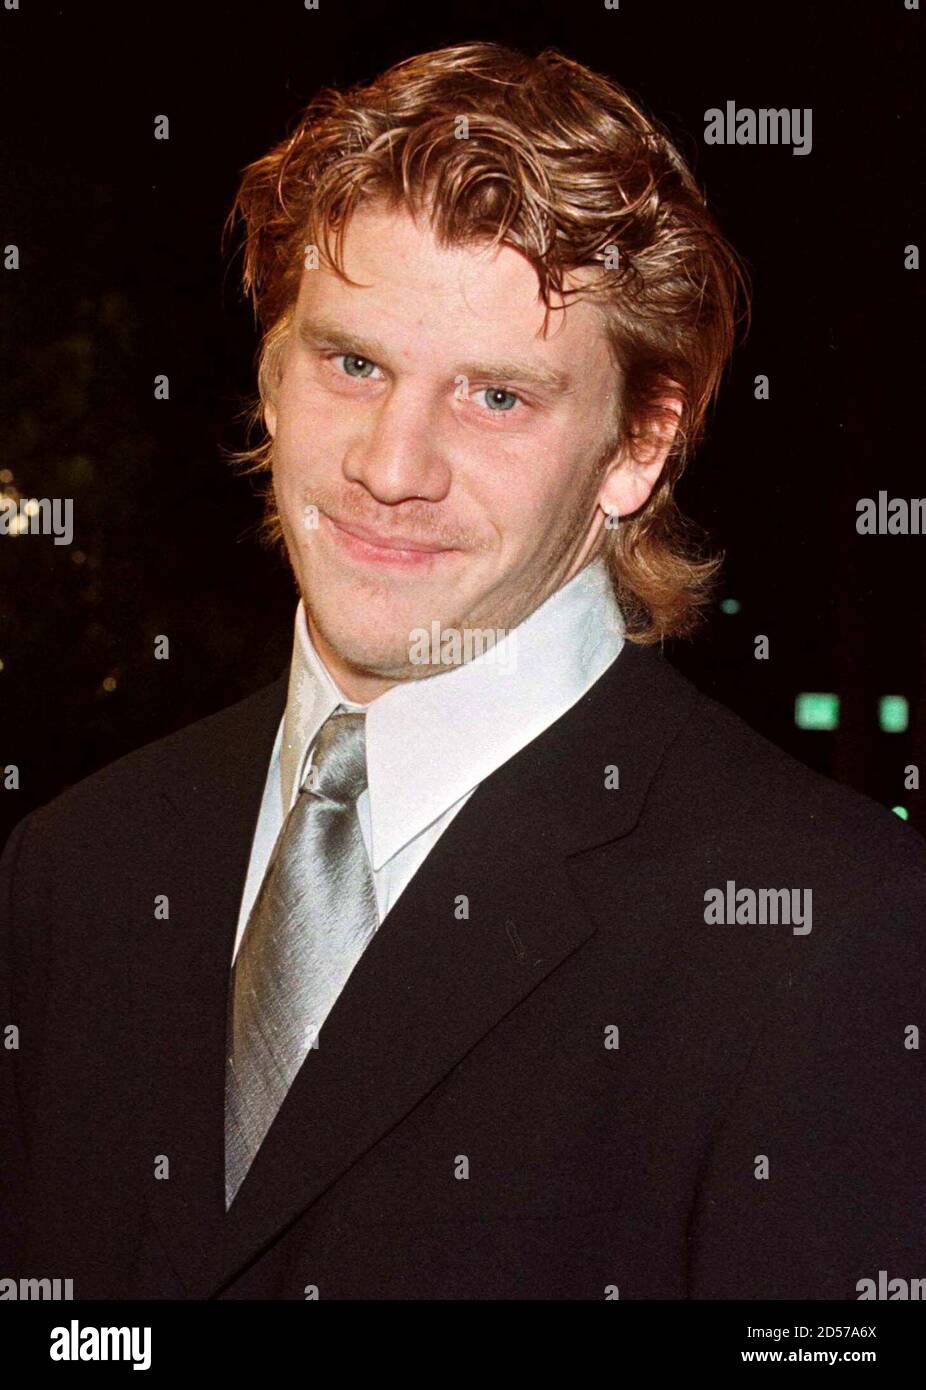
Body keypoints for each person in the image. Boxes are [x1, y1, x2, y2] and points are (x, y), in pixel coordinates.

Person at [1, 41, 923, 1301]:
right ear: (270, 371)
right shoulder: (75, 869)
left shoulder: (830, 932)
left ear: (637, 446)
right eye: (353, 363)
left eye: (495, 397)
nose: (391, 466)